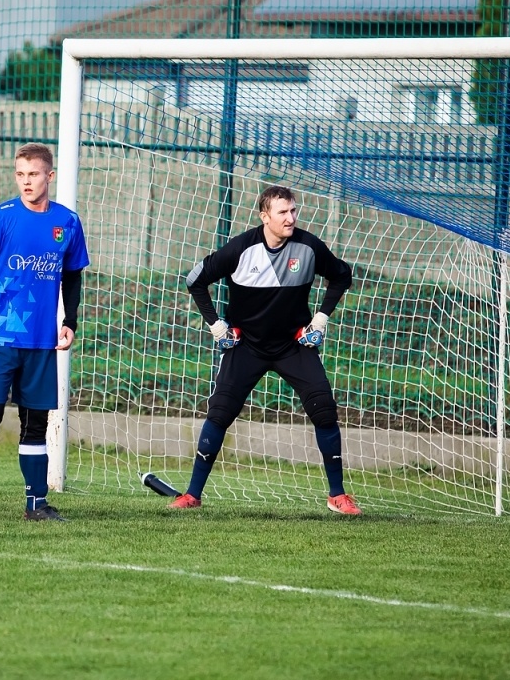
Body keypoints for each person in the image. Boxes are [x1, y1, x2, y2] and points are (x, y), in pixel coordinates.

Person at [143, 186, 360, 515]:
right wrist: (216, 325)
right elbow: (195, 279)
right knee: (219, 413)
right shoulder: (240, 249)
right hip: (247, 346)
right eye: (282, 212)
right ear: (264, 216)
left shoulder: (308, 246)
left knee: (324, 410)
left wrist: (320, 318)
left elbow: (341, 276)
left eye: (293, 211)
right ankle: (192, 495)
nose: (291, 218)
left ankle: (337, 496)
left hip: (293, 345)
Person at [0, 142, 90, 522]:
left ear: (50, 175)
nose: (26, 182)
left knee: (37, 423)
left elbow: (73, 277)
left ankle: (36, 505)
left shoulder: (67, 222)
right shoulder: (0, 218)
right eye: (20, 174)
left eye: (33, 174)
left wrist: (70, 321)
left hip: (41, 343)